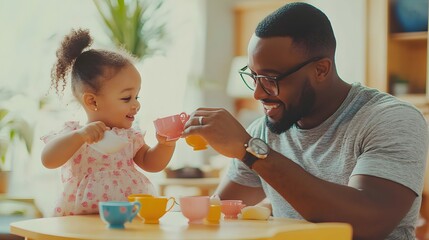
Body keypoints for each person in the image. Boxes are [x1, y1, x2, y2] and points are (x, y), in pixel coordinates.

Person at [182, 2, 428, 240]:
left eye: (270, 78)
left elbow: (367, 224)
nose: (257, 93)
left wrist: (251, 152)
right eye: (254, 76)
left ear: (321, 69)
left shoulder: (390, 119)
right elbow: (217, 213)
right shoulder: (263, 132)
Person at [41, 29, 177, 217]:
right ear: (92, 101)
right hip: (82, 220)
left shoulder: (129, 136)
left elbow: (150, 163)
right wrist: (79, 136)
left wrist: (165, 145)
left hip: (128, 217)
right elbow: (48, 160)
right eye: (126, 98)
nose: (136, 104)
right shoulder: (76, 135)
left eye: (136, 96)